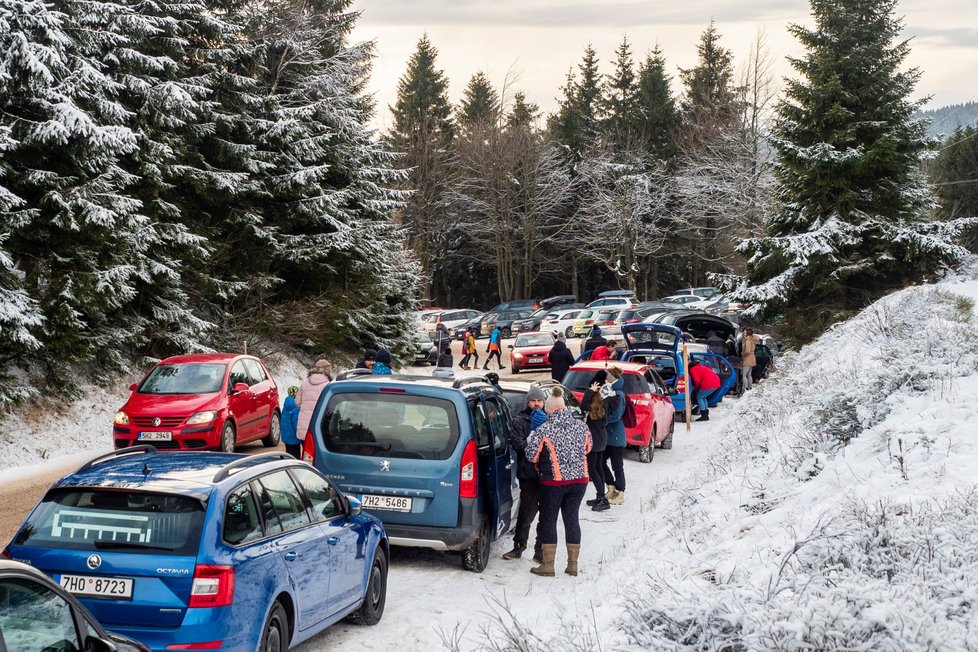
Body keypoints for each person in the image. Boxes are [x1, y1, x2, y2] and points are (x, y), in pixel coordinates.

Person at [525, 387, 591, 577]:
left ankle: (548, 565)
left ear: (550, 410)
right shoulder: (582, 427)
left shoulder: (544, 429)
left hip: (553, 482)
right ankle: (572, 565)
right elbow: (588, 448)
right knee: (572, 519)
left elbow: (531, 455)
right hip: (579, 480)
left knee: (549, 520)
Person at [501, 387, 547, 562]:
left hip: (547, 475)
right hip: (528, 474)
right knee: (525, 514)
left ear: (544, 402)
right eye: (533, 400)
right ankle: (518, 546)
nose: (536, 404)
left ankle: (540, 550)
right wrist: (532, 440)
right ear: (528, 402)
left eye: (539, 401)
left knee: (546, 516)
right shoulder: (520, 420)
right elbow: (517, 444)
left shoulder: (549, 420)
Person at [581, 370, 619, 512]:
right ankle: (600, 496)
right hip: (601, 437)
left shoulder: (594, 403)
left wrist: (589, 392)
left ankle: (602, 498)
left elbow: (582, 406)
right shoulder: (607, 400)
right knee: (598, 467)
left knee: (593, 468)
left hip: (594, 440)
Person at [603, 367, 627, 505]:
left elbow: (616, 416)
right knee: (600, 462)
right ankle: (611, 487)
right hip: (608, 436)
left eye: (606, 378)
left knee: (617, 466)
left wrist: (602, 420)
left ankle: (620, 493)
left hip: (616, 436)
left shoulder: (618, 394)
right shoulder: (610, 391)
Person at [295, 360, 332, 446]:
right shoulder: (328, 385)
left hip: (304, 426)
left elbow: (297, 402)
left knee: (306, 455)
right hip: (319, 426)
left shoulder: (304, 384)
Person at [281, 385, 301, 459]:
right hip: (294, 437)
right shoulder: (295, 407)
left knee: (289, 454)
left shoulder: (285, 407)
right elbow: (296, 423)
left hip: (286, 437)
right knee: (295, 457)